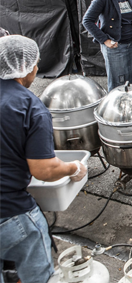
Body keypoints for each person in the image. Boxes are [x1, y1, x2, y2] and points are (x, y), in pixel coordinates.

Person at [0, 36, 88, 281]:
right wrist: (74, 167)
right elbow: (44, 169)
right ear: (25, 67)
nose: (37, 69)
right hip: (9, 214)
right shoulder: (30, 107)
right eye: (36, 63)